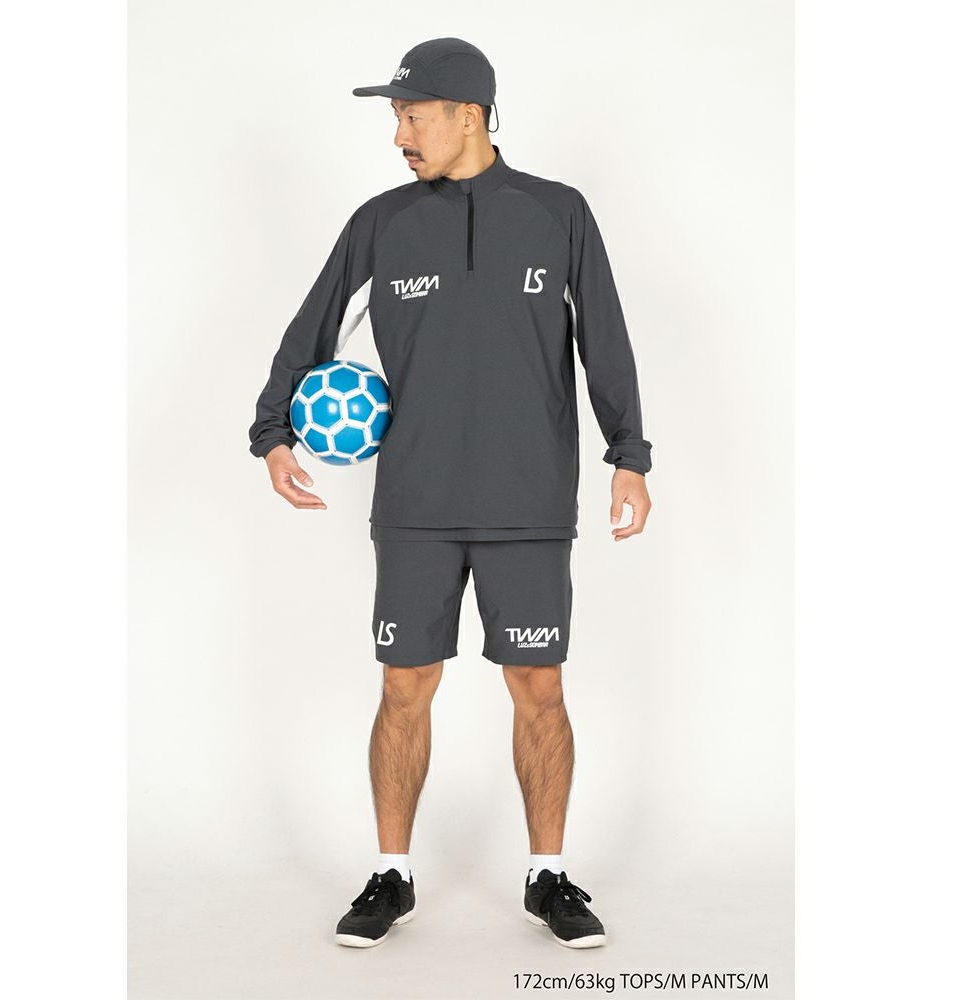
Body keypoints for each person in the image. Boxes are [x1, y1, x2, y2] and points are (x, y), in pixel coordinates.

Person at [248, 37, 653, 949]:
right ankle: (391, 875)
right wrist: (272, 432)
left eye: (412, 113)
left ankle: (548, 877)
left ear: (469, 114)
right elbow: (310, 327)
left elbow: (606, 338)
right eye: (396, 115)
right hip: (416, 503)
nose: (399, 133)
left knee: (539, 686)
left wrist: (629, 454)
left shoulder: (558, 214)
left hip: (529, 504)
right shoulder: (381, 223)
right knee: (404, 685)